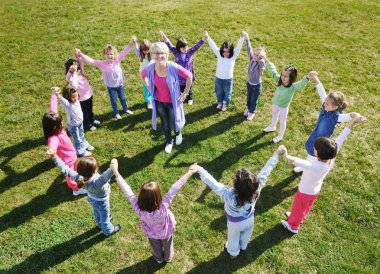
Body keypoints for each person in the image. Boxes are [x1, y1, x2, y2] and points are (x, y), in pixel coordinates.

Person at [279, 115, 367, 233]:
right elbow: (342, 137)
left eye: (315, 149)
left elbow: (303, 163)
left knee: (298, 206)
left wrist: (286, 155)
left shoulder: (317, 166)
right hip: (314, 191)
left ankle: (293, 226)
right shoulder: (332, 155)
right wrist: (353, 122)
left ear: (318, 153)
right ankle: (300, 217)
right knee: (304, 207)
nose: (314, 149)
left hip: (305, 191)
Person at [190, 149, 281, 257]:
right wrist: (276, 155)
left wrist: (200, 169)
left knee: (233, 239)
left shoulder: (228, 195)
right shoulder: (255, 192)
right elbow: (265, 173)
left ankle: (234, 252)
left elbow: (213, 184)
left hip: (235, 224)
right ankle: (243, 246)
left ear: (237, 186)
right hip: (250, 219)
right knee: (246, 235)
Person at [111, 159, 197, 263]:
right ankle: (168, 258)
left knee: (155, 246)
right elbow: (174, 188)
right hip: (166, 233)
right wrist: (190, 172)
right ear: (158, 197)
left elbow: (128, 192)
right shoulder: (163, 207)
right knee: (168, 245)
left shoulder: (138, 209)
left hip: (152, 234)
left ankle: (158, 259)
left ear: (141, 198)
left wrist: (115, 172)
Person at [293, 72, 360, 173]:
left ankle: (308, 168)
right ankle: (305, 166)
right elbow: (322, 93)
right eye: (326, 102)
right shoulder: (326, 107)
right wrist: (316, 79)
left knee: (314, 155)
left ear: (335, 107)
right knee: (310, 153)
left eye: (327, 104)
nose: (325, 104)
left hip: (322, 143)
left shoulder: (336, 117)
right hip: (314, 136)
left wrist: (354, 115)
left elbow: (348, 116)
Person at [46, 149, 121, 237]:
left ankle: (100, 223)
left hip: (92, 199)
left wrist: (55, 157)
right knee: (104, 217)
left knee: (97, 212)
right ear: (95, 170)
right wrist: (114, 161)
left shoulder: (78, 178)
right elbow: (112, 169)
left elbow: (65, 169)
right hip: (102, 202)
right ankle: (108, 230)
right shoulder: (98, 181)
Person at [140, 42, 193, 154]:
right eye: (155, 53)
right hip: (159, 102)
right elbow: (142, 75)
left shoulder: (173, 67)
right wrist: (149, 88)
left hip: (173, 102)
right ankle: (169, 141)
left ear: (166, 54)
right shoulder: (150, 67)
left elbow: (189, 76)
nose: (159, 56)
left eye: (161, 53)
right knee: (164, 122)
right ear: (152, 55)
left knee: (174, 122)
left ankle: (178, 134)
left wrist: (185, 93)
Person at [42, 87, 86, 196]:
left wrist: (54, 94)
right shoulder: (54, 138)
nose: (62, 123)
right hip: (67, 161)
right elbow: (53, 145)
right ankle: (76, 189)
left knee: (75, 171)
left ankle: (77, 181)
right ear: (53, 128)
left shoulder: (54, 120)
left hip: (72, 155)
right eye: (60, 123)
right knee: (70, 176)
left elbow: (53, 108)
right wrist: (52, 150)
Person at [75, 39, 134, 119]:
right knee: (113, 100)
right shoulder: (102, 64)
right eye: (107, 54)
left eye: (111, 54)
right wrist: (81, 55)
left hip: (120, 85)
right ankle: (116, 113)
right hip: (111, 87)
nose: (110, 56)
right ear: (104, 55)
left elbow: (124, 52)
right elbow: (91, 61)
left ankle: (125, 109)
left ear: (114, 55)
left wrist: (130, 44)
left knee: (122, 98)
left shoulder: (117, 60)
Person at [262, 55, 311, 143]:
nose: (283, 78)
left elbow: (301, 84)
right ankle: (272, 126)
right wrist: (266, 60)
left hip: (284, 107)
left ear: (291, 78)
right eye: (282, 75)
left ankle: (280, 135)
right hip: (275, 103)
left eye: (286, 76)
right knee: (274, 115)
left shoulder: (293, 87)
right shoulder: (279, 80)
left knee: (282, 120)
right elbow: (273, 71)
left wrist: (307, 77)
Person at [159, 31, 206, 105]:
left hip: (188, 75)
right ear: (179, 48)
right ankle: (181, 95)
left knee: (189, 87)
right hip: (179, 75)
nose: (185, 48)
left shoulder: (190, 52)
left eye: (186, 46)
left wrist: (203, 39)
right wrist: (163, 36)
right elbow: (169, 44)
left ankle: (190, 98)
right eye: (183, 47)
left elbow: (197, 46)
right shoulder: (176, 52)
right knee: (180, 86)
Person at [205, 31, 244, 111]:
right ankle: (219, 102)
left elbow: (239, 47)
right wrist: (207, 37)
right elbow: (213, 46)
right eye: (224, 51)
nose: (225, 53)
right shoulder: (219, 54)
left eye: (227, 52)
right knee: (218, 91)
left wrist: (242, 37)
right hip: (218, 78)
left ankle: (225, 103)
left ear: (231, 51)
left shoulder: (234, 56)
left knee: (227, 92)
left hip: (228, 79)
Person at [53, 86, 94, 157]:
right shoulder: (68, 105)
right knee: (77, 139)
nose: (76, 98)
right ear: (68, 97)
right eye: (73, 97)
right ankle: (80, 151)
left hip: (80, 123)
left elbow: (74, 83)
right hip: (73, 126)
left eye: (76, 96)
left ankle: (85, 145)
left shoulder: (77, 100)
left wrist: (75, 75)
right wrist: (57, 94)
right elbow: (62, 99)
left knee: (81, 135)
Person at [65, 56, 100, 131]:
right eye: (76, 69)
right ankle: (87, 125)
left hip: (89, 95)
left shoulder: (81, 72)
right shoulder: (72, 78)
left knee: (90, 110)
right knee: (85, 113)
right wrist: (71, 71)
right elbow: (67, 78)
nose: (78, 70)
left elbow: (81, 63)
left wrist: (78, 56)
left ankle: (92, 120)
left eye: (78, 68)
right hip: (82, 99)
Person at [241, 32, 266, 121]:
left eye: (258, 55)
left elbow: (263, 65)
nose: (255, 56)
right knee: (249, 98)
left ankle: (252, 112)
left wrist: (261, 58)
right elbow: (249, 49)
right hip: (249, 83)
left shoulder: (260, 65)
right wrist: (247, 38)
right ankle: (248, 108)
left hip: (256, 86)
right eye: (255, 54)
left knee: (253, 100)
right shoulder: (252, 59)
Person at [132, 36, 153, 109]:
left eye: (147, 50)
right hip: (143, 75)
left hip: (152, 73)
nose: (146, 52)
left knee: (153, 86)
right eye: (144, 50)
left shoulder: (152, 54)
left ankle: (154, 98)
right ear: (141, 49)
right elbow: (135, 49)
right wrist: (134, 42)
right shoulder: (140, 55)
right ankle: (149, 101)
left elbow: (157, 48)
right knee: (146, 87)